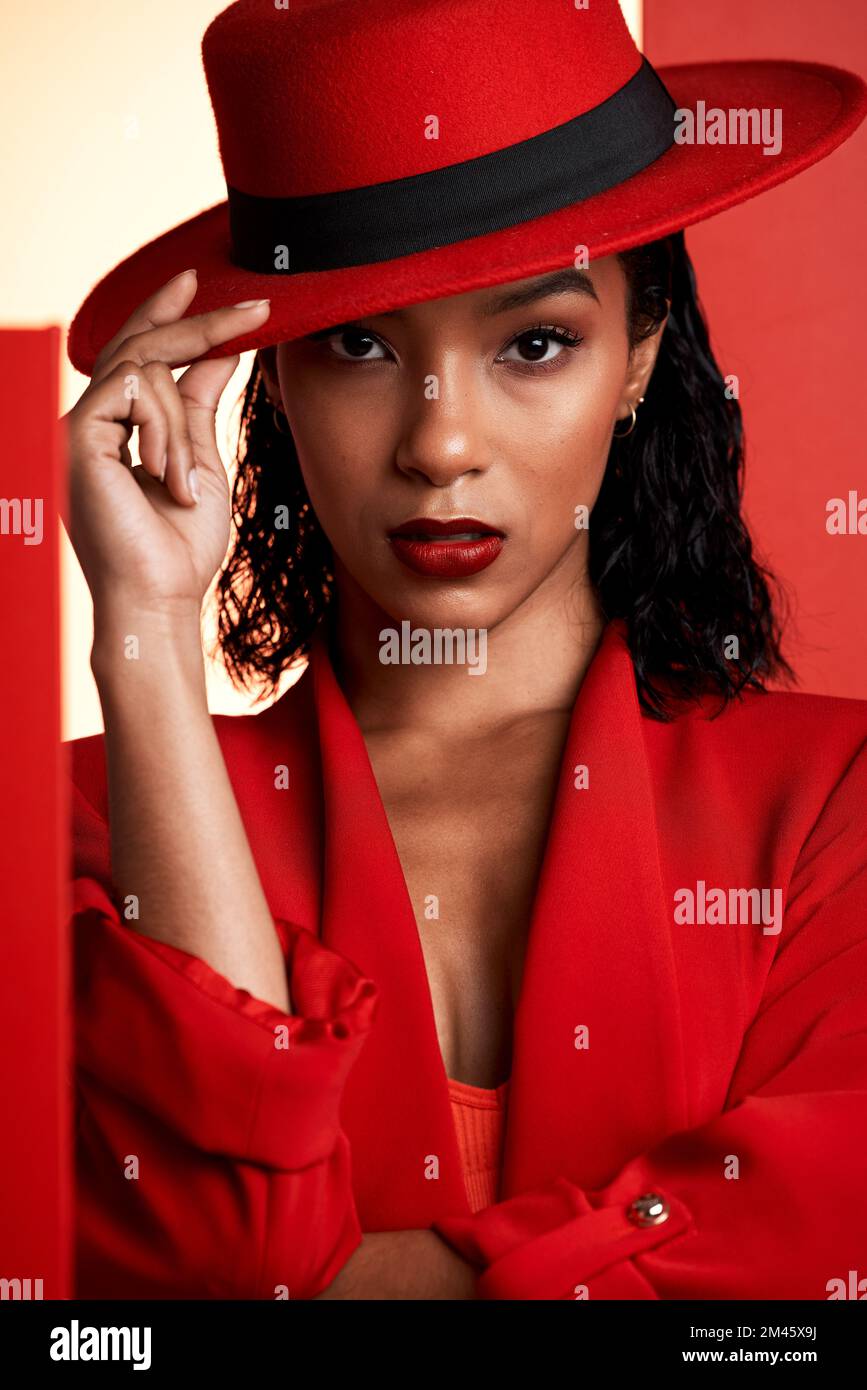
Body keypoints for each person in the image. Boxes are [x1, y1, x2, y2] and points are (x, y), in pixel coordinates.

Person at [63, 0, 867, 1299]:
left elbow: (820, 1255)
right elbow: (205, 1270)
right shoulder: (72, 829)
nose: (440, 446)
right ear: (268, 374)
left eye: (534, 341)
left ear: (639, 358)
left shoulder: (843, 804)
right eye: (360, 344)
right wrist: (144, 630)